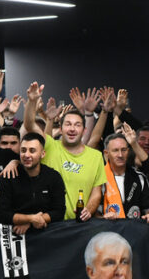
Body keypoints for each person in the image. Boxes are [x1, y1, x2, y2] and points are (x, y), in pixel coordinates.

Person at [24, 83, 105, 221]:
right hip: (49, 224)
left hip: (79, 224)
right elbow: (30, 125)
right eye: (68, 124)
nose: (72, 129)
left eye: (77, 125)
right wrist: (32, 101)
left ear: (84, 131)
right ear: (60, 129)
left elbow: (96, 193)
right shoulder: (49, 145)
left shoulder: (96, 156)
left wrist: (89, 210)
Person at [0, 132, 66, 234]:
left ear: (42, 154)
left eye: (32, 151)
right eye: (23, 150)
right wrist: (30, 219)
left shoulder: (54, 177)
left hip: (47, 234)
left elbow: (59, 211)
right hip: (15, 235)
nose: (26, 155)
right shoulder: (8, 176)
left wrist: (31, 222)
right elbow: (2, 214)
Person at [99, 132, 149, 223]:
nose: (120, 155)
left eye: (124, 150)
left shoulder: (139, 177)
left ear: (128, 151)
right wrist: (103, 217)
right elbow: (93, 212)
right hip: (107, 231)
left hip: (133, 232)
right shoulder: (99, 177)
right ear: (106, 154)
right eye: (115, 150)